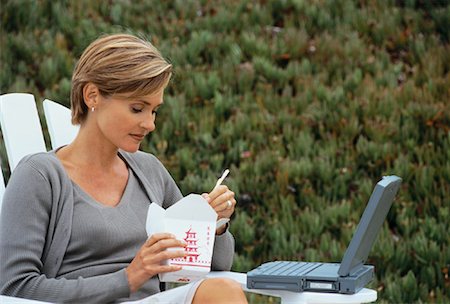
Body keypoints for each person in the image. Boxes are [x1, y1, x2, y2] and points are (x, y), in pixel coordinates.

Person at [0, 33, 247, 303]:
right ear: (92, 95)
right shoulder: (39, 176)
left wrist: (216, 223)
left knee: (223, 291)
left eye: (154, 111)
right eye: (137, 108)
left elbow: (218, 264)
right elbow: (14, 286)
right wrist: (127, 279)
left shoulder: (149, 171)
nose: (150, 124)